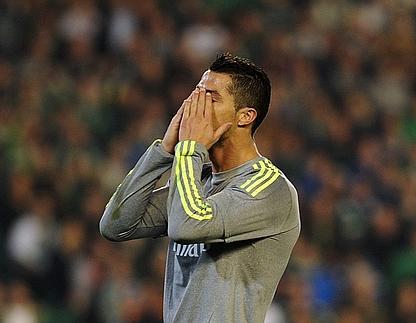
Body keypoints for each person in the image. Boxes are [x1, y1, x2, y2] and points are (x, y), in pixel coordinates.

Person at [99, 53, 301, 322]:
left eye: (211, 98)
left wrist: (189, 150)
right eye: (197, 94)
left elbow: (187, 226)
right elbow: (116, 225)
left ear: (245, 117)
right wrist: (164, 150)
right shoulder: (196, 177)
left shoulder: (268, 188)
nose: (196, 105)